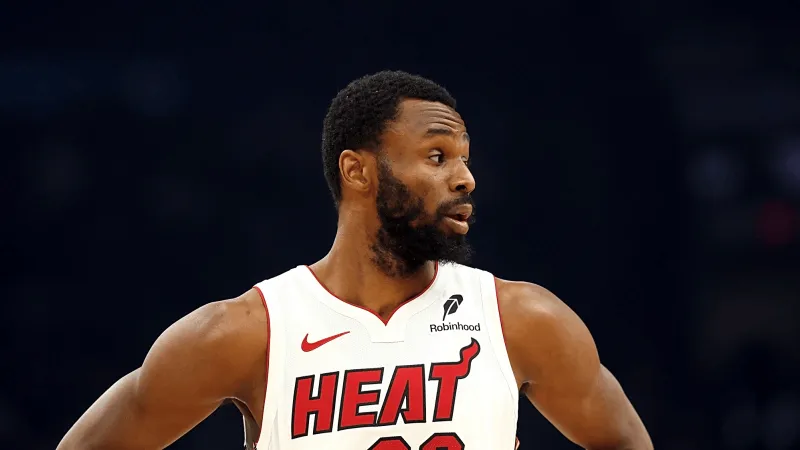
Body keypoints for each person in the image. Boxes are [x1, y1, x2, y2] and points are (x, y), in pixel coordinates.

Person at [57, 70, 653, 450]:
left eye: (465, 158)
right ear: (357, 171)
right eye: (437, 156)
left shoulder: (520, 318)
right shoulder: (249, 331)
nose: (465, 178)